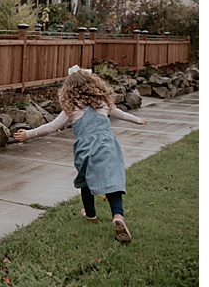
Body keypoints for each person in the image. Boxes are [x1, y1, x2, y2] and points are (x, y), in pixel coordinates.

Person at [13, 66, 146, 243]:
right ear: (94, 84)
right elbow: (120, 113)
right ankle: (117, 215)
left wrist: (28, 134)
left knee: (86, 181)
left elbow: (52, 127)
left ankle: (91, 215)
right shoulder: (103, 103)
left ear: (69, 89)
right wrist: (137, 120)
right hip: (107, 145)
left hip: (86, 149)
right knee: (113, 179)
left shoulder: (72, 107)